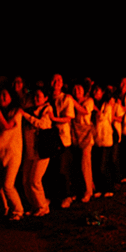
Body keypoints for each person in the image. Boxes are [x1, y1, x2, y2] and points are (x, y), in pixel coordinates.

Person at [21, 87, 53, 216]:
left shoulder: (47, 109)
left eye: (39, 96)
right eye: (34, 96)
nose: (35, 98)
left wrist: (26, 116)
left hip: (42, 150)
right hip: (30, 150)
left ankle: (43, 206)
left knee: (35, 180)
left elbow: (43, 124)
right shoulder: (31, 109)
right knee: (26, 180)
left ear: (45, 98)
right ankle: (35, 205)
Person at [49, 74, 76, 209]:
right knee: (52, 169)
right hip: (49, 138)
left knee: (63, 169)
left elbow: (68, 118)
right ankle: (54, 195)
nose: (57, 82)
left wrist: (53, 119)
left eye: (59, 80)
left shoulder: (66, 98)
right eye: (54, 79)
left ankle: (67, 195)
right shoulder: (47, 97)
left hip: (63, 138)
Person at [0, 88, 24, 220]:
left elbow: (7, 127)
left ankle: (18, 210)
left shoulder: (17, 112)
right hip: (2, 153)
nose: (2, 98)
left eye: (5, 95)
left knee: (8, 185)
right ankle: (5, 208)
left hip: (14, 153)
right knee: (1, 185)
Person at [92, 85, 117, 198]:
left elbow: (102, 117)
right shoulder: (94, 104)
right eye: (95, 90)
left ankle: (109, 187)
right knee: (97, 165)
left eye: (98, 91)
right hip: (96, 138)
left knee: (103, 165)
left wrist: (95, 110)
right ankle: (100, 188)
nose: (96, 92)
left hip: (106, 138)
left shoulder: (107, 105)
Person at [71, 84, 95, 203]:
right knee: (76, 164)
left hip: (86, 135)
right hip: (75, 134)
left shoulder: (89, 101)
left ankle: (88, 191)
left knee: (85, 163)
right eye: (75, 89)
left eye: (79, 88)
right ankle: (81, 188)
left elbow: (85, 111)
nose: (77, 90)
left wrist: (72, 101)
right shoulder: (72, 101)